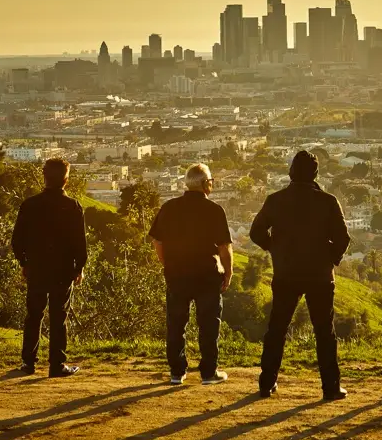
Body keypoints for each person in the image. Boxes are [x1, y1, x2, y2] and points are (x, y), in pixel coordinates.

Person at [250, 150, 350, 400]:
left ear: (291, 172)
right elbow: (343, 238)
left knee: (277, 328)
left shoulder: (276, 200)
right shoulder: (328, 201)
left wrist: (274, 247)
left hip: (286, 272)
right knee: (324, 332)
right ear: (316, 174)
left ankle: (267, 382)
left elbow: (256, 232)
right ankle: (330, 387)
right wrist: (330, 259)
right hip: (320, 275)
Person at [149, 163, 233, 385]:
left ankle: (177, 372)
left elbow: (157, 240)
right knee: (208, 324)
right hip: (207, 274)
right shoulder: (214, 210)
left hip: (177, 273)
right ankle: (208, 372)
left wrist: (165, 261)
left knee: (176, 323)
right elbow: (224, 247)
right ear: (206, 184)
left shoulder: (169, 208)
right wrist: (229, 272)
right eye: (211, 181)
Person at [12, 158, 87, 378]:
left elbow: (17, 240)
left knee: (33, 315)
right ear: (66, 178)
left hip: (36, 268)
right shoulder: (72, 206)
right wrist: (79, 267)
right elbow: (79, 243)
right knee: (58, 317)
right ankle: (57, 364)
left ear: (44, 177)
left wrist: (24, 263)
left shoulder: (30, 205)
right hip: (63, 270)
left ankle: (28, 363)